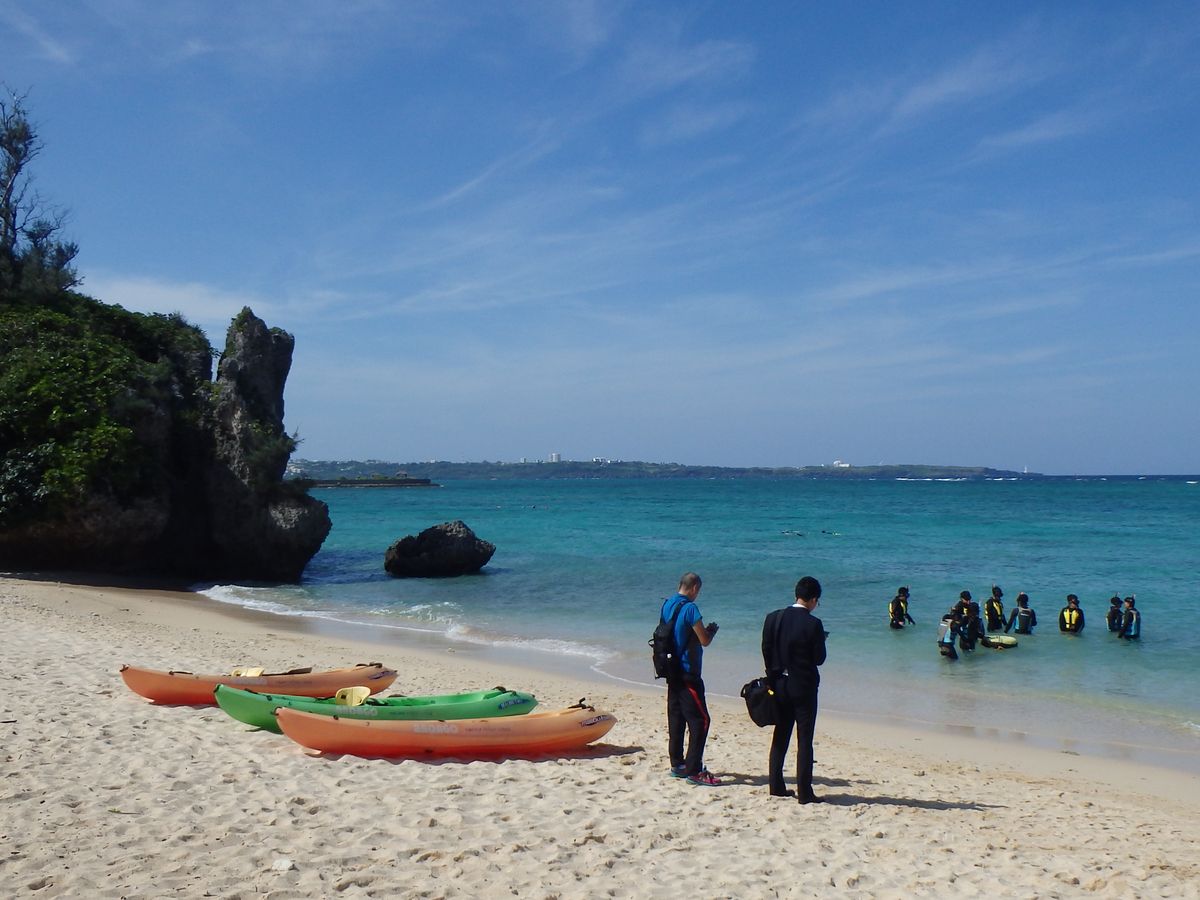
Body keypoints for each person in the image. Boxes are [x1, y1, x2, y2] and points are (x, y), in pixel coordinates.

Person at [761, 575, 826, 803]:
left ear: (797, 594)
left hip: (779, 684)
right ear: (813, 599)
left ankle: (776, 785)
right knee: (804, 739)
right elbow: (819, 659)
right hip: (804, 686)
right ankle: (805, 792)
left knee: (781, 734)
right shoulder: (813, 624)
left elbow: (766, 649)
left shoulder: (773, 618)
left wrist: (773, 675)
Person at [660, 572, 720, 786]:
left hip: (671, 670)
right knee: (701, 720)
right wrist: (711, 631)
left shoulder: (667, 604)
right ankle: (694, 771)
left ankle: (677, 764)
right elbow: (704, 640)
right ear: (694, 588)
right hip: (688, 672)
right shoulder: (690, 608)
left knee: (676, 718)